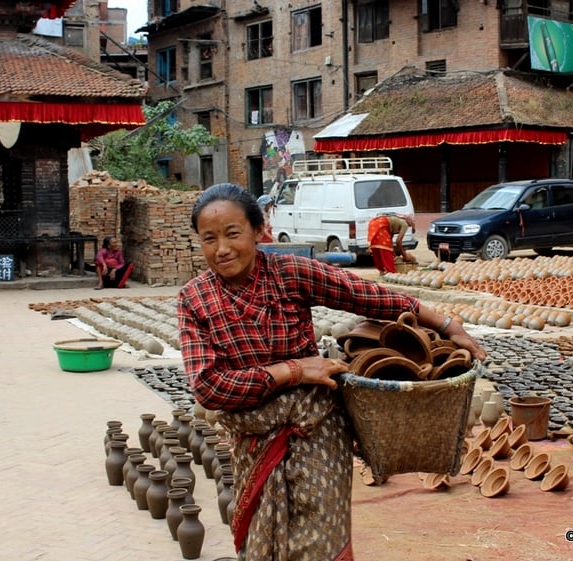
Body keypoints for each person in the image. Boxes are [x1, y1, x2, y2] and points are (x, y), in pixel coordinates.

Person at [177, 183, 486, 561]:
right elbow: (208, 388)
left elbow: (366, 295)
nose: (222, 249)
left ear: (258, 232)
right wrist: (294, 370)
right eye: (209, 239)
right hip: (253, 436)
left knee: (319, 540)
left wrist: (448, 326)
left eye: (232, 234)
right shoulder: (194, 299)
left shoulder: (289, 272)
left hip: (316, 429)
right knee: (264, 538)